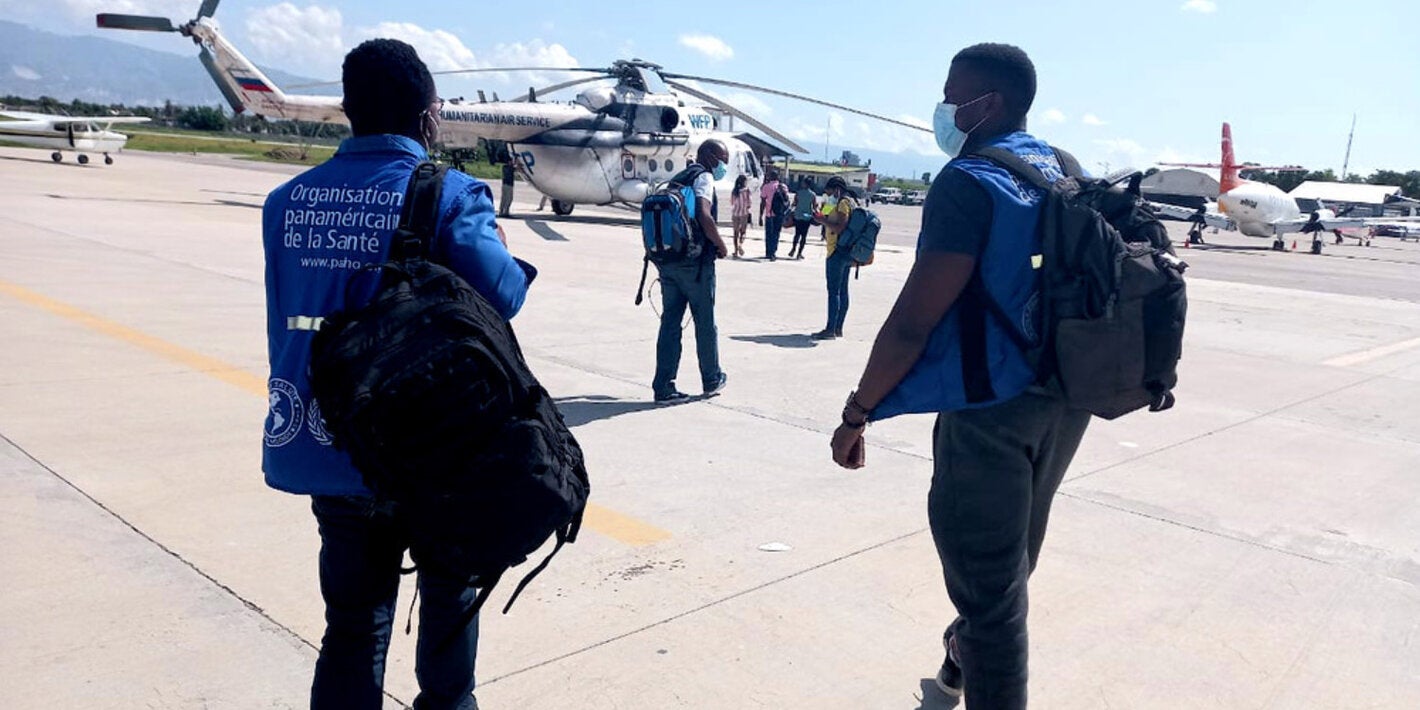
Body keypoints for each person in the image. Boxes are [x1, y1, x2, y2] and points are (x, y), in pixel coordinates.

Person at [261, 38, 534, 710]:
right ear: (428, 116)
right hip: (431, 450)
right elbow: (504, 294)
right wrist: (507, 254)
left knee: (353, 624)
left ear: (349, 109)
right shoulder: (449, 195)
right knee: (449, 598)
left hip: (328, 438)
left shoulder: (286, 202)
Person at [829, 43, 1091, 709]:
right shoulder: (1066, 169)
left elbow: (913, 321)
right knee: (1008, 566)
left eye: (952, 97)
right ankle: (958, 657)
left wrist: (858, 413)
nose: (944, 110)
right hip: (1067, 398)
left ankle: (973, 655)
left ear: (988, 103)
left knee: (992, 596)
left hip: (991, 411)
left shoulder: (969, 180)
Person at [652, 139, 731, 403]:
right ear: (708, 156)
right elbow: (703, 214)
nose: (723, 166)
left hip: (668, 261)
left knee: (670, 323)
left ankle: (663, 386)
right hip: (695, 265)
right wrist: (720, 245)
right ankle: (712, 378)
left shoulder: (678, 179)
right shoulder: (703, 177)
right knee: (704, 322)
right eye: (722, 160)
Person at [811, 176, 857, 340]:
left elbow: (839, 228)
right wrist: (820, 215)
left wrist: (823, 220)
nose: (827, 195)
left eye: (829, 192)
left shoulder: (843, 203)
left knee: (834, 292)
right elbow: (821, 217)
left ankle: (830, 329)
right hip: (848, 251)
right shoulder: (849, 202)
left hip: (837, 251)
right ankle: (838, 328)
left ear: (837, 189)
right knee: (843, 290)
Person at [761, 169, 788, 260]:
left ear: (770, 177)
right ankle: (773, 252)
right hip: (779, 213)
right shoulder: (783, 187)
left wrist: (760, 215)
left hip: (769, 213)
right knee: (776, 233)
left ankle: (768, 252)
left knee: (769, 234)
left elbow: (763, 202)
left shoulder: (766, 186)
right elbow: (786, 200)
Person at [789, 177, 817, 259]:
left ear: (805, 184)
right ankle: (799, 253)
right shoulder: (813, 195)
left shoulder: (798, 193)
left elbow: (794, 203)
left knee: (797, 234)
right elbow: (814, 206)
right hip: (807, 217)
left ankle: (793, 249)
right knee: (804, 236)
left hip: (798, 216)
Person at [730, 174, 752, 258]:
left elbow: (732, 202)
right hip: (744, 213)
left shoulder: (734, 190)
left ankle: (735, 251)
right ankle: (740, 244)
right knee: (743, 232)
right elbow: (749, 203)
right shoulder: (747, 190)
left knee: (735, 233)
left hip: (735, 213)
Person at [497, 150, 515, 218]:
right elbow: (517, 169)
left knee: (503, 198)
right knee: (509, 198)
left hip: (504, 184)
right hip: (509, 185)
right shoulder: (510, 168)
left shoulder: (504, 167)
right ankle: (506, 212)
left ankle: (501, 211)